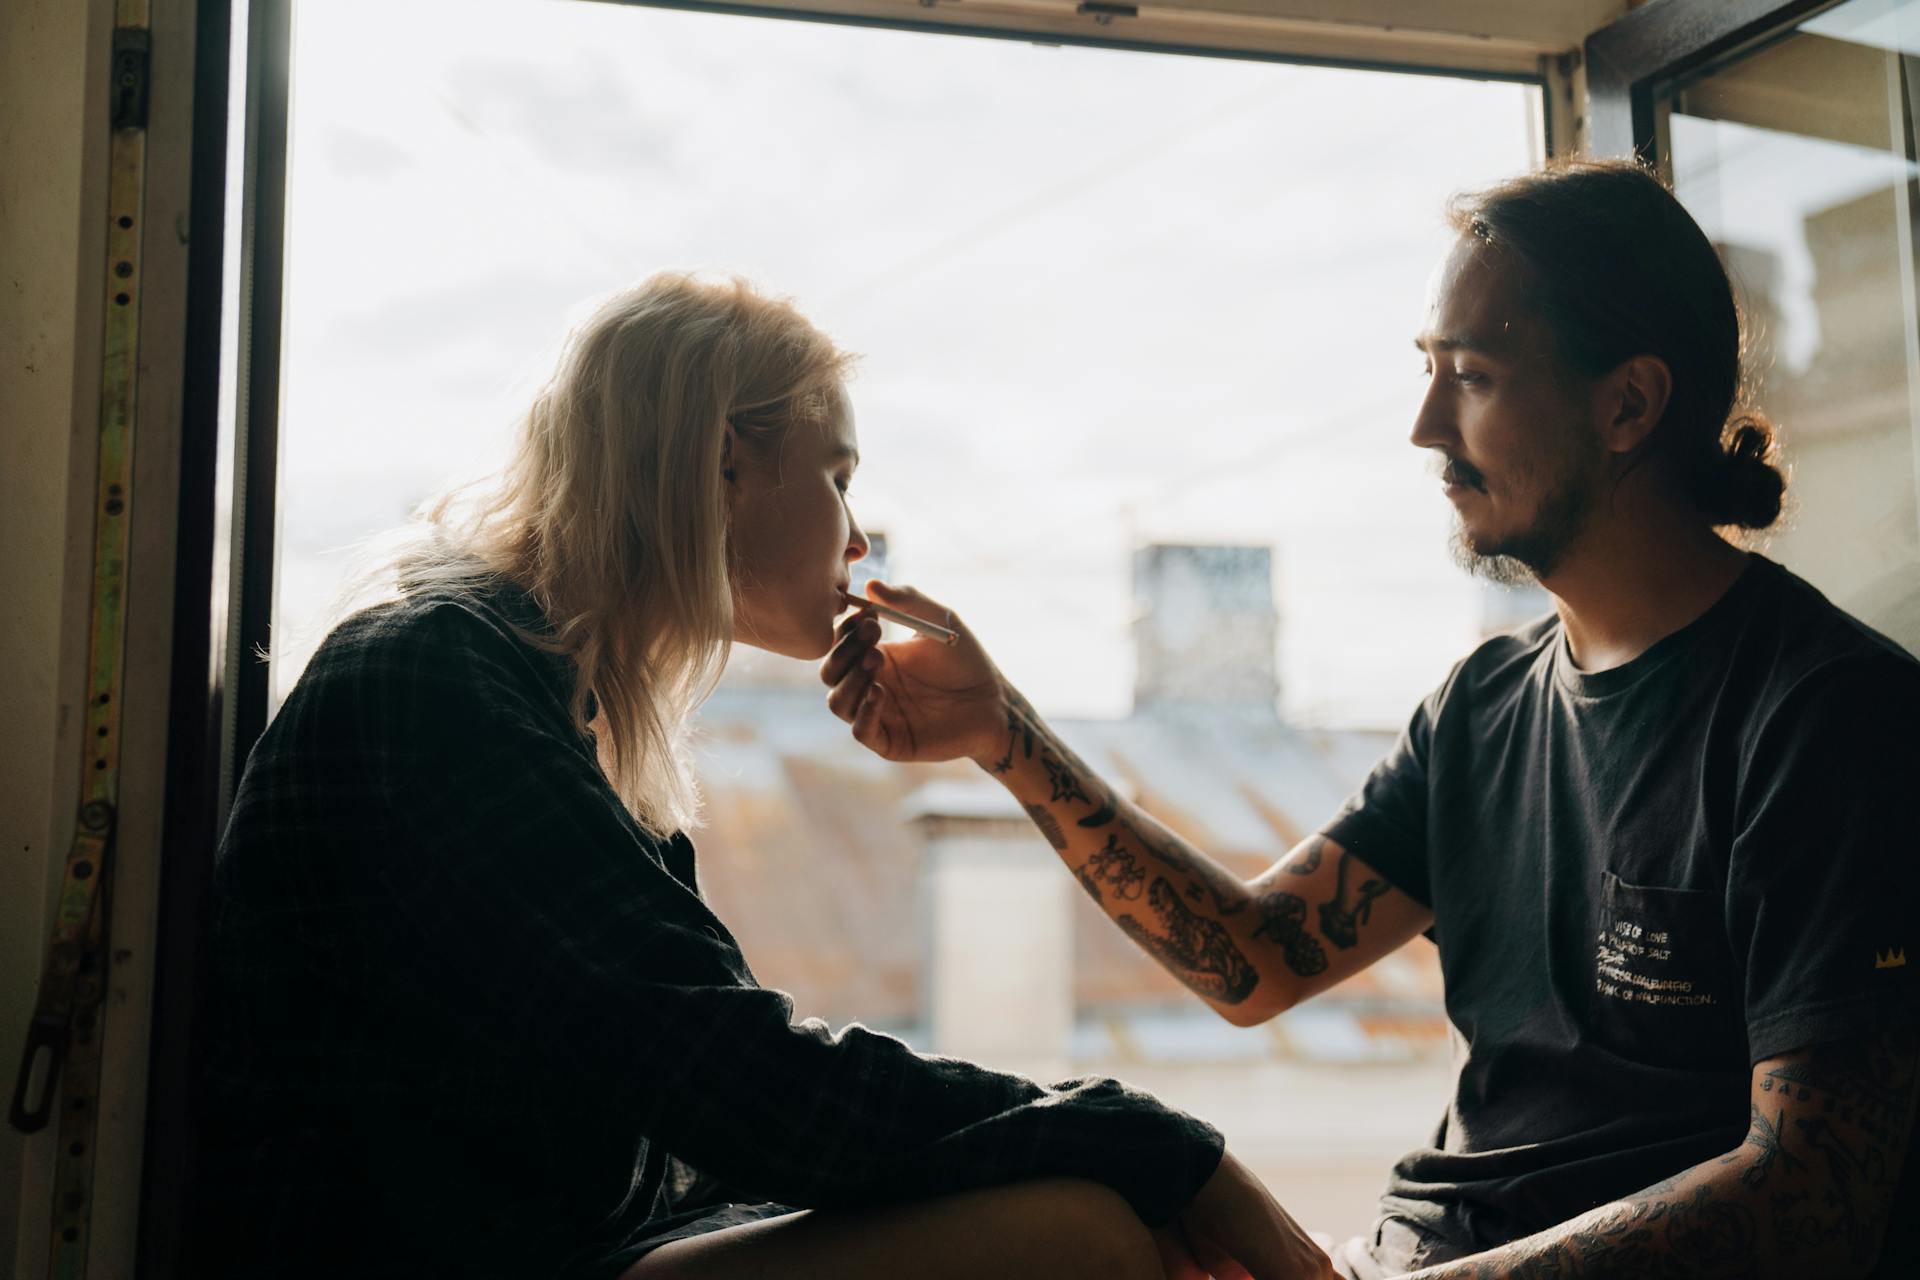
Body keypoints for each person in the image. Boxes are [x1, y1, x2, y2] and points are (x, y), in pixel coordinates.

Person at [822, 160, 1920, 1279]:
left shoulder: (1829, 719)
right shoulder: (1480, 708)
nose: (1423, 425)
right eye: (1428, 370)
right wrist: (1004, 734)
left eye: (1474, 377)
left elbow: (1813, 1195)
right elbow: (1255, 961)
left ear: (1629, 403)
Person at [187, 274, 1336, 1279]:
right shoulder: (435, 679)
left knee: (1076, 1216)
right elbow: (739, 1080)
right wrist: (1159, 1140)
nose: (859, 544)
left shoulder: (527, 680)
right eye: (839, 477)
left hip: (524, 1244)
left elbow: (708, 1087)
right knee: (1071, 1239)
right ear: (727, 462)